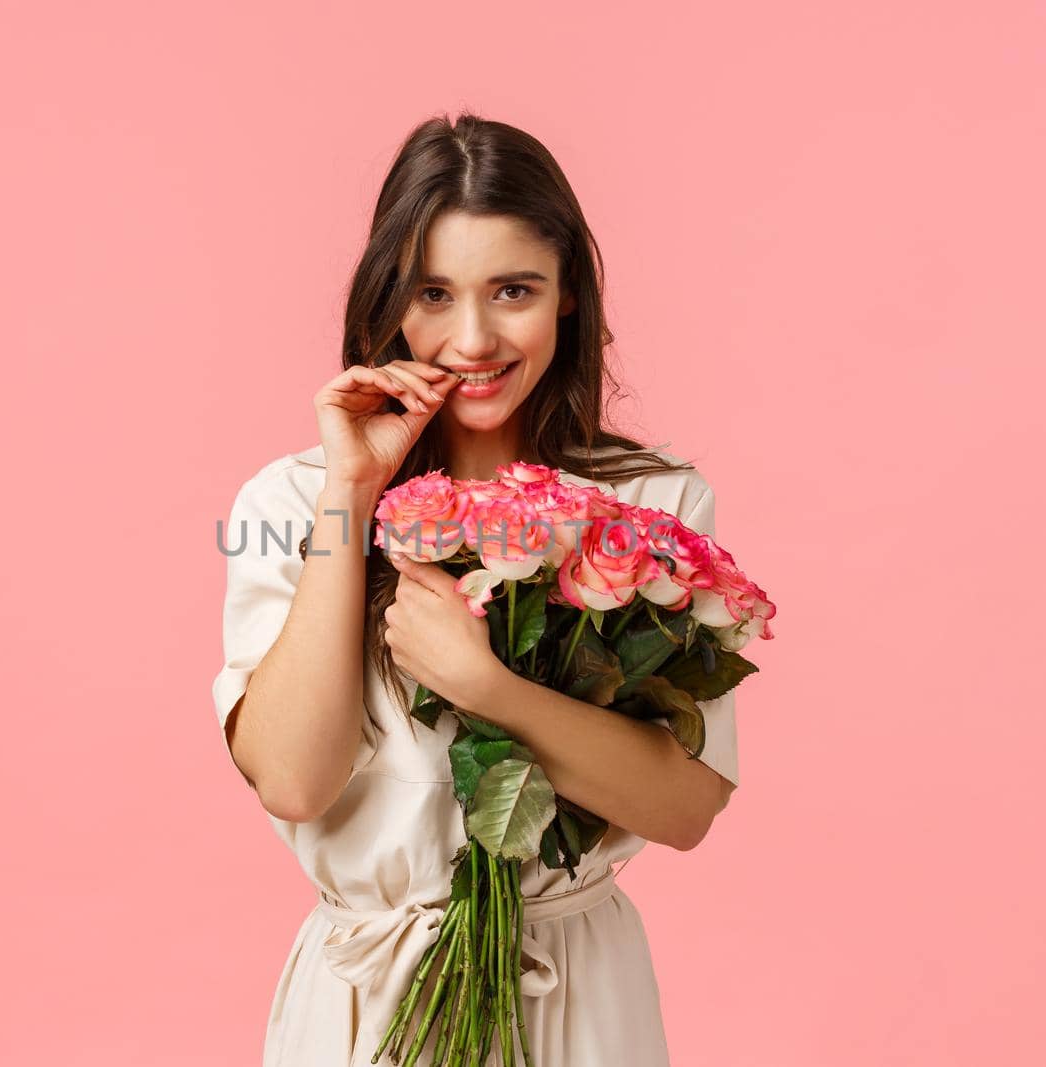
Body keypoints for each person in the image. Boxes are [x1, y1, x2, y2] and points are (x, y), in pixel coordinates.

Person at [211, 111, 740, 1066]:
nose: (473, 337)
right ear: (391, 302)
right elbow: (293, 778)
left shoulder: (651, 503)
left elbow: (686, 808)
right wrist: (352, 488)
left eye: (513, 290)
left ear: (567, 293)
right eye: (433, 292)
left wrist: (490, 688)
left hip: (577, 996)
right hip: (366, 1007)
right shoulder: (296, 497)